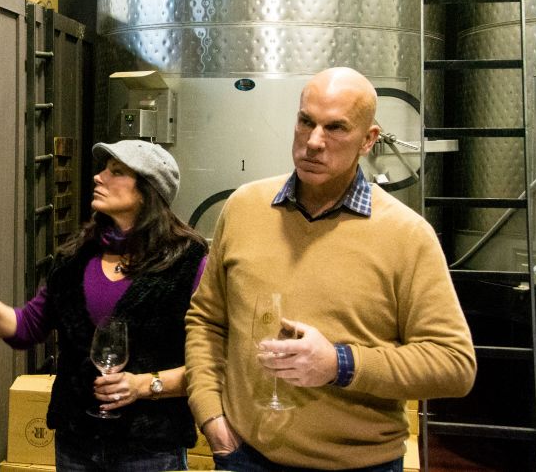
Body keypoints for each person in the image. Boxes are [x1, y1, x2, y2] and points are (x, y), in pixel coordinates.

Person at [185, 67, 476, 471]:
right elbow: (206, 320)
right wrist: (210, 415)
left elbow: (454, 364)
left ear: (368, 140)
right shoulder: (243, 207)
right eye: (306, 122)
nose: (314, 142)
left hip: (360, 465)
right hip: (243, 455)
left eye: (336, 128)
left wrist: (339, 364)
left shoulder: (407, 235)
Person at [0, 140, 208, 471]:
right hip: (77, 444)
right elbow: (25, 329)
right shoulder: (75, 257)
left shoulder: (186, 262)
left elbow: (211, 362)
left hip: (150, 449)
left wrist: (144, 386)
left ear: (147, 191)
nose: (99, 177)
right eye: (103, 170)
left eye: (116, 172)